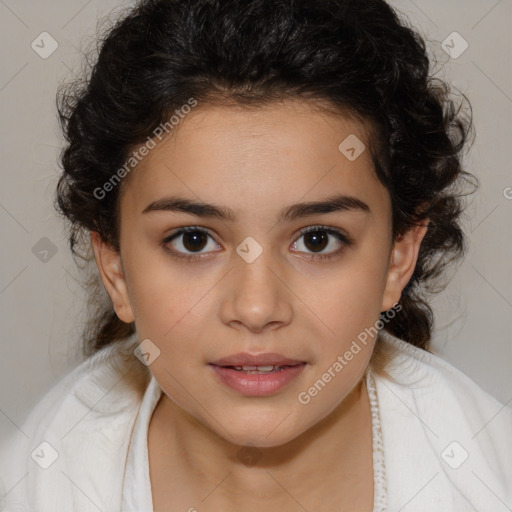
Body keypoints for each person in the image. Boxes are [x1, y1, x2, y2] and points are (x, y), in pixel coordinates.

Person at [1, 0, 511, 510]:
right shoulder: (35, 486)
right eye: (193, 240)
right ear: (115, 268)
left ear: (399, 256)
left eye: (317, 239)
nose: (256, 308)